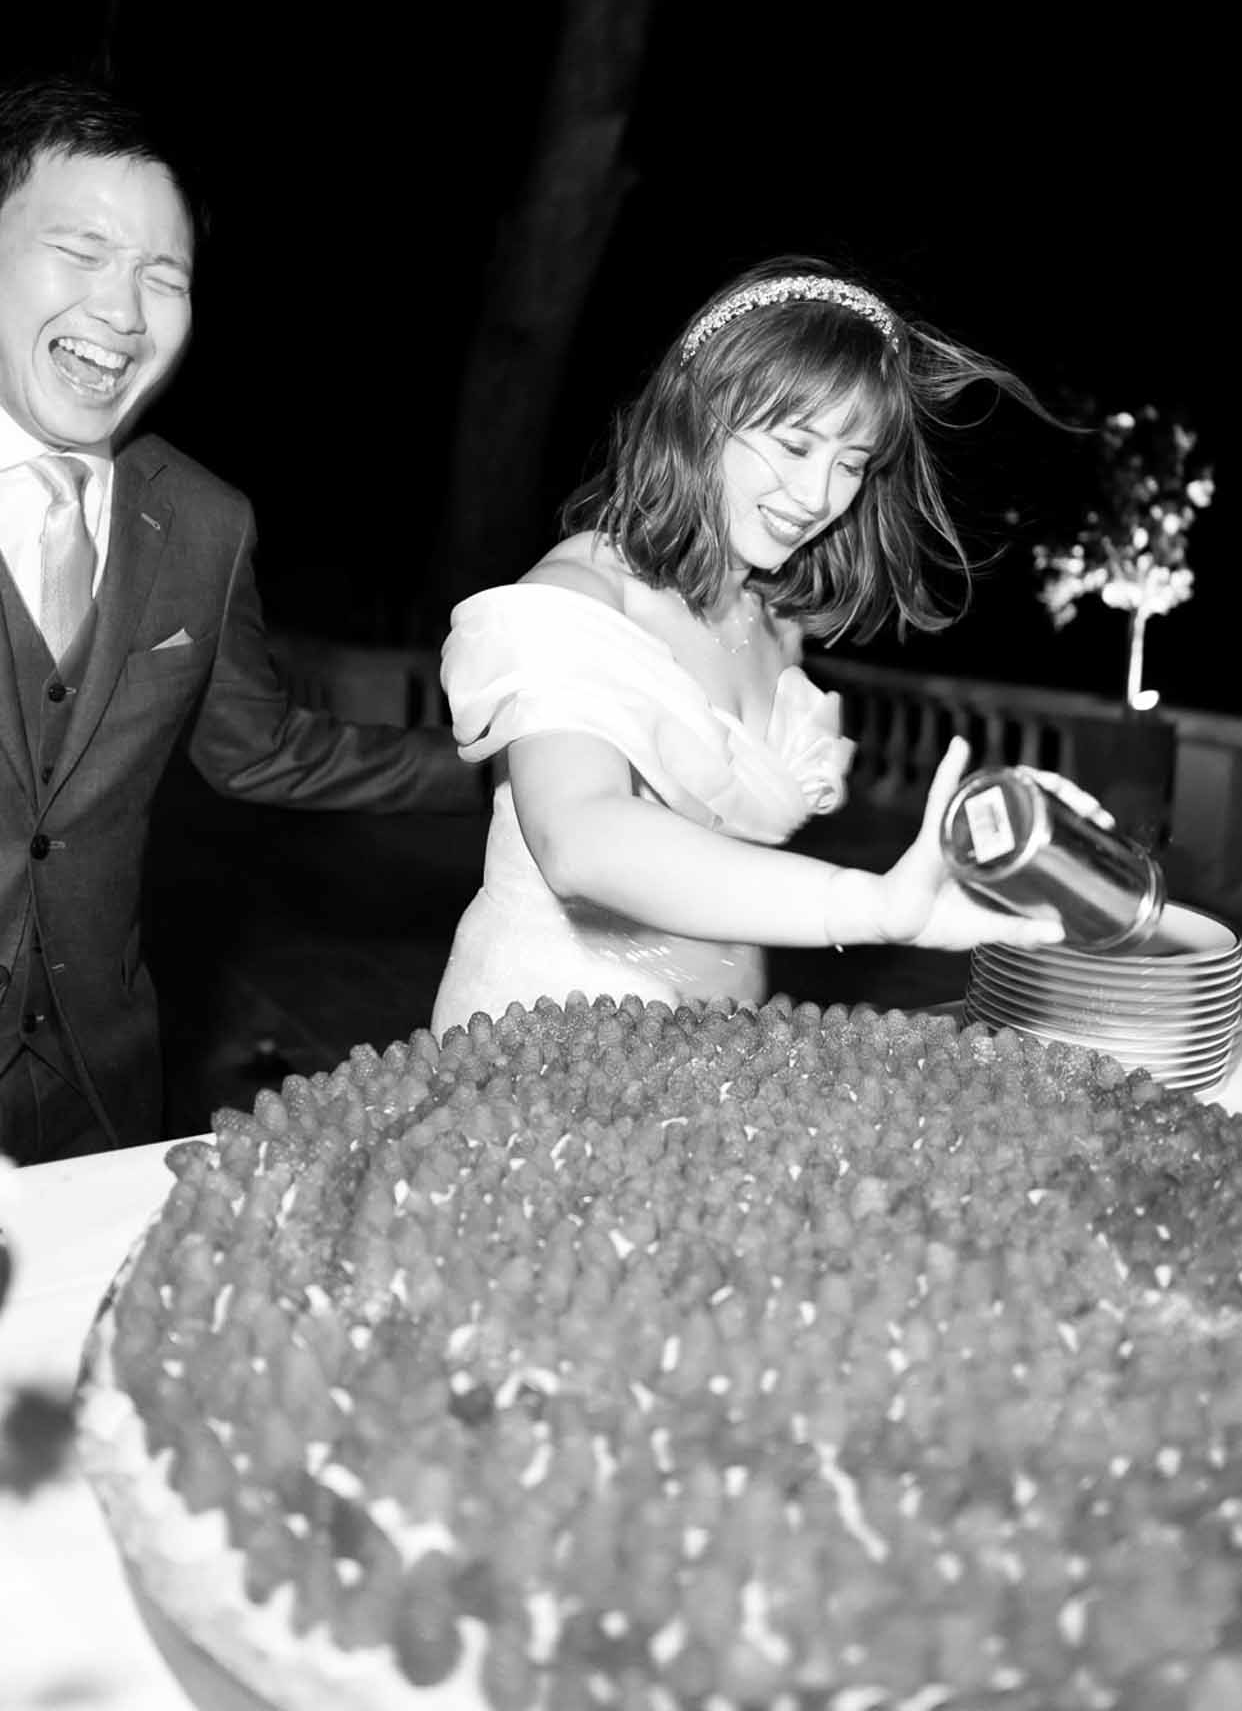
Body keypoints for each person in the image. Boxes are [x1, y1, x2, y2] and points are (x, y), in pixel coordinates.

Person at [0, 75, 480, 1165]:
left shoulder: (205, 522)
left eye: (161, 276)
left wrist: (520, 762)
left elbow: (263, 751)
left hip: (99, 1082)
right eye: (79, 253)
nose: (121, 313)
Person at [433, 257, 1093, 1034]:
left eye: (853, 463)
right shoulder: (573, 600)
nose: (820, 497)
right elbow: (578, 839)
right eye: (794, 443)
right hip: (551, 1040)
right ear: (697, 412)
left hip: (725, 1041)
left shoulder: (776, 622)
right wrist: (870, 905)